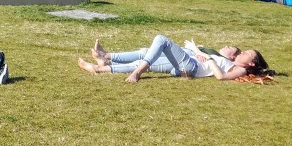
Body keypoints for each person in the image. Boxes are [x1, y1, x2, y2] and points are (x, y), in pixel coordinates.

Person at [76, 35, 268, 83]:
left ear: (251, 63)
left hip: (191, 67)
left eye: (247, 54)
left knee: (161, 40)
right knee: (148, 53)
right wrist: (200, 52)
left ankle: (136, 72)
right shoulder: (234, 61)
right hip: (189, 63)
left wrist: (208, 57)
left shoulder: (241, 69)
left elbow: (220, 77)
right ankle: (102, 64)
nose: (243, 52)